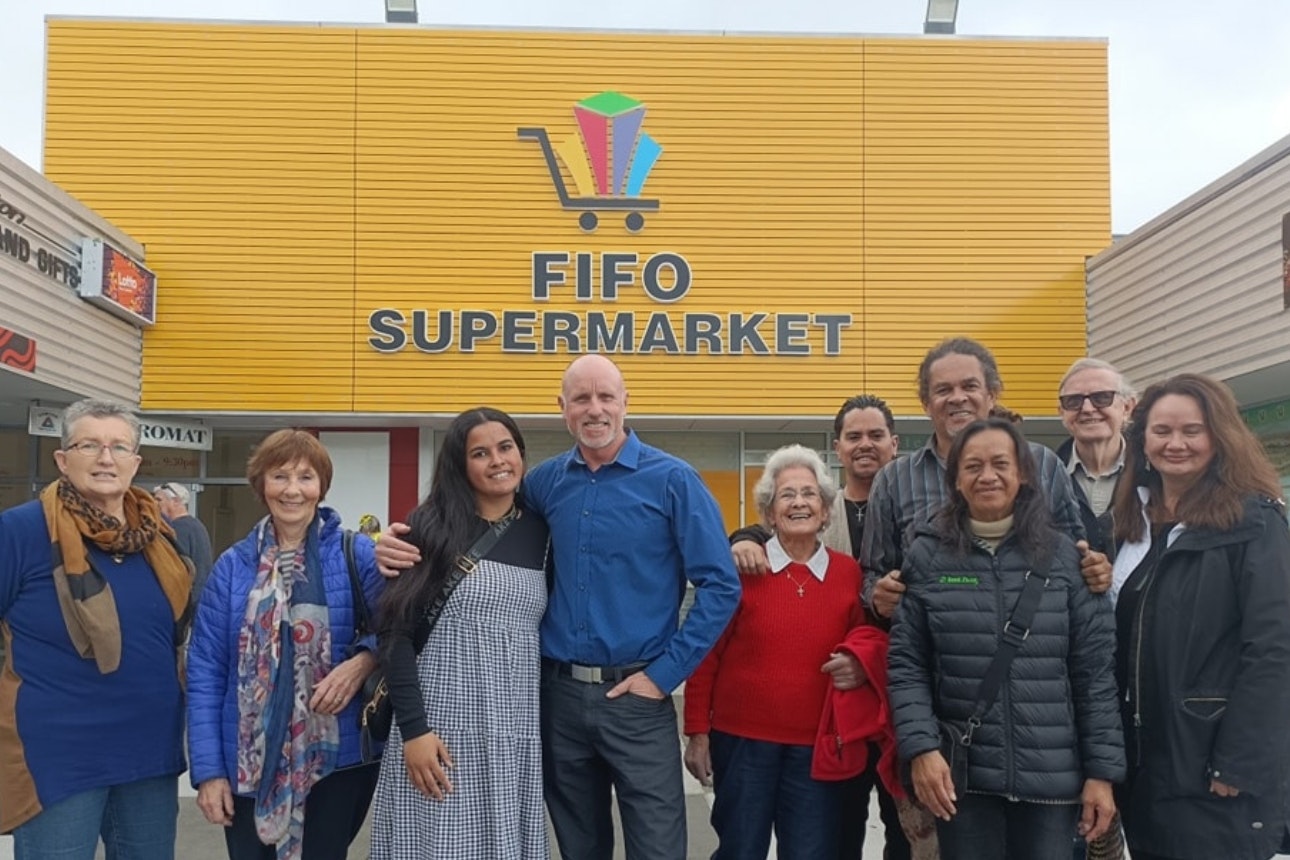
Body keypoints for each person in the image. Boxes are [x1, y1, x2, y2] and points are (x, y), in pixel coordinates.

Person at [376, 354, 741, 860]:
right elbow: (472, 515)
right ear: (563, 408)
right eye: (582, 398)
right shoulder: (543, 484)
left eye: (606, 396)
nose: (595, 409)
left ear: (625, 402)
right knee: (578, 847)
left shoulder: (673, 480)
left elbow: (721, 585)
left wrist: (664, 676)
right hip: (555, 700)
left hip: (638, 697)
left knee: (658, 848)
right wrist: (386, 541)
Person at [888, 417, 1124, 860]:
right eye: (973, 466)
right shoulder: (927, 554)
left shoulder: (1065, 558)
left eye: (1001, 463)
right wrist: (920, 747)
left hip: (1052, 782)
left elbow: (1095, 675)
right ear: (956, 480)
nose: (988, 476)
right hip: (963, 778)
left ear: (1023, 475)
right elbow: (907, 666)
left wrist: (1102, 773)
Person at [729, 394, 927, 859]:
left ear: (894, 444)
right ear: (837, 448)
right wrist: (743, 537)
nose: (865, 445)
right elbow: (780, 525)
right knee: (836, 831)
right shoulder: (821, 507)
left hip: (903, 695)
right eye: (853, 436)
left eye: (875, 435)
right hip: (837, 709)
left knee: (909, 834)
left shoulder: (916, 509)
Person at [1109, 373, 1290, 860]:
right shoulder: (1130, 524)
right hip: (1145, 764)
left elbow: (1274, 649)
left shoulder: (1255, 522)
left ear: (1220, 436)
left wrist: (1239, 761)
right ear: (1142, 439)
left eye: (1192, 430)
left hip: (1214, 766)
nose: (1176, 443)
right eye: (1162, 430)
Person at [0, 399, 192, 859]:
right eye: (90, 445)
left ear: (135, 462)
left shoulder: (159, 536)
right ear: (63, 460)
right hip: (58, 756)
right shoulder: (21, 531)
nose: (106, 459)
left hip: (149, 751)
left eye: (118, 447)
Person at [186, 429, 386, 860]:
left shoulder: (358, 554)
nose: (292, 489)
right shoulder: (231, 568)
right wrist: (208, 772)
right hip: (247, 760)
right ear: (261, 486)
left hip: (337, 756)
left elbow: (394, 632)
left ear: (322, 487)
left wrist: (362, 663)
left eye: (305, 477)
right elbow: (205, 670)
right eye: (279, 476)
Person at [369, 408, 550, 860]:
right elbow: (395, 635)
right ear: (460, 464)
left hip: (512, 731)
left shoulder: (543, 533)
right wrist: (415, 731)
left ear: (521, 454)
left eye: (505, 447)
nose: (497, 461)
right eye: (480, 453)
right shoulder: (428, 527)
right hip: (441, 731)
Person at [684, 444, 881, 858]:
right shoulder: (740, 570)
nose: (799, 503)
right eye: (786, 495)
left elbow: (864, 639)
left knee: (810, 852)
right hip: (741, 744)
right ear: (770, 513)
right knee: (740, 850)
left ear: (826, 511)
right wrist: (698, 734)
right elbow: (706, 655)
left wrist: (859, 663)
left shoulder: (848, 573)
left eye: (809, 494)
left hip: (816, 746)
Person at [857, 338, 1106, 622]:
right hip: (931, 649)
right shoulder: (894, 480)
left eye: (969, 386)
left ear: (991, 395)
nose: (957, 397)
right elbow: (871, 572)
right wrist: (878, 595)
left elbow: (1078, 556)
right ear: (926, 404)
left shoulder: (1044, 465)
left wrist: (1095, 569)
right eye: (943, 390)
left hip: (1032, 645)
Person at [1055, 358, 1137, 558]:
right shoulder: (1043, 478)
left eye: (1102, 397)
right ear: (1062, 413)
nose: (1088, 408)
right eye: (1073, 401)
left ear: (1127, 407)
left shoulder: (1156, 474)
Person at [155, 481, 215, 597]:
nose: (154, 504)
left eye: (159, 500)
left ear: (176, 501)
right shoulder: (197, 525)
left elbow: (173, 572)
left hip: (186, 603)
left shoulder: (176, 530)